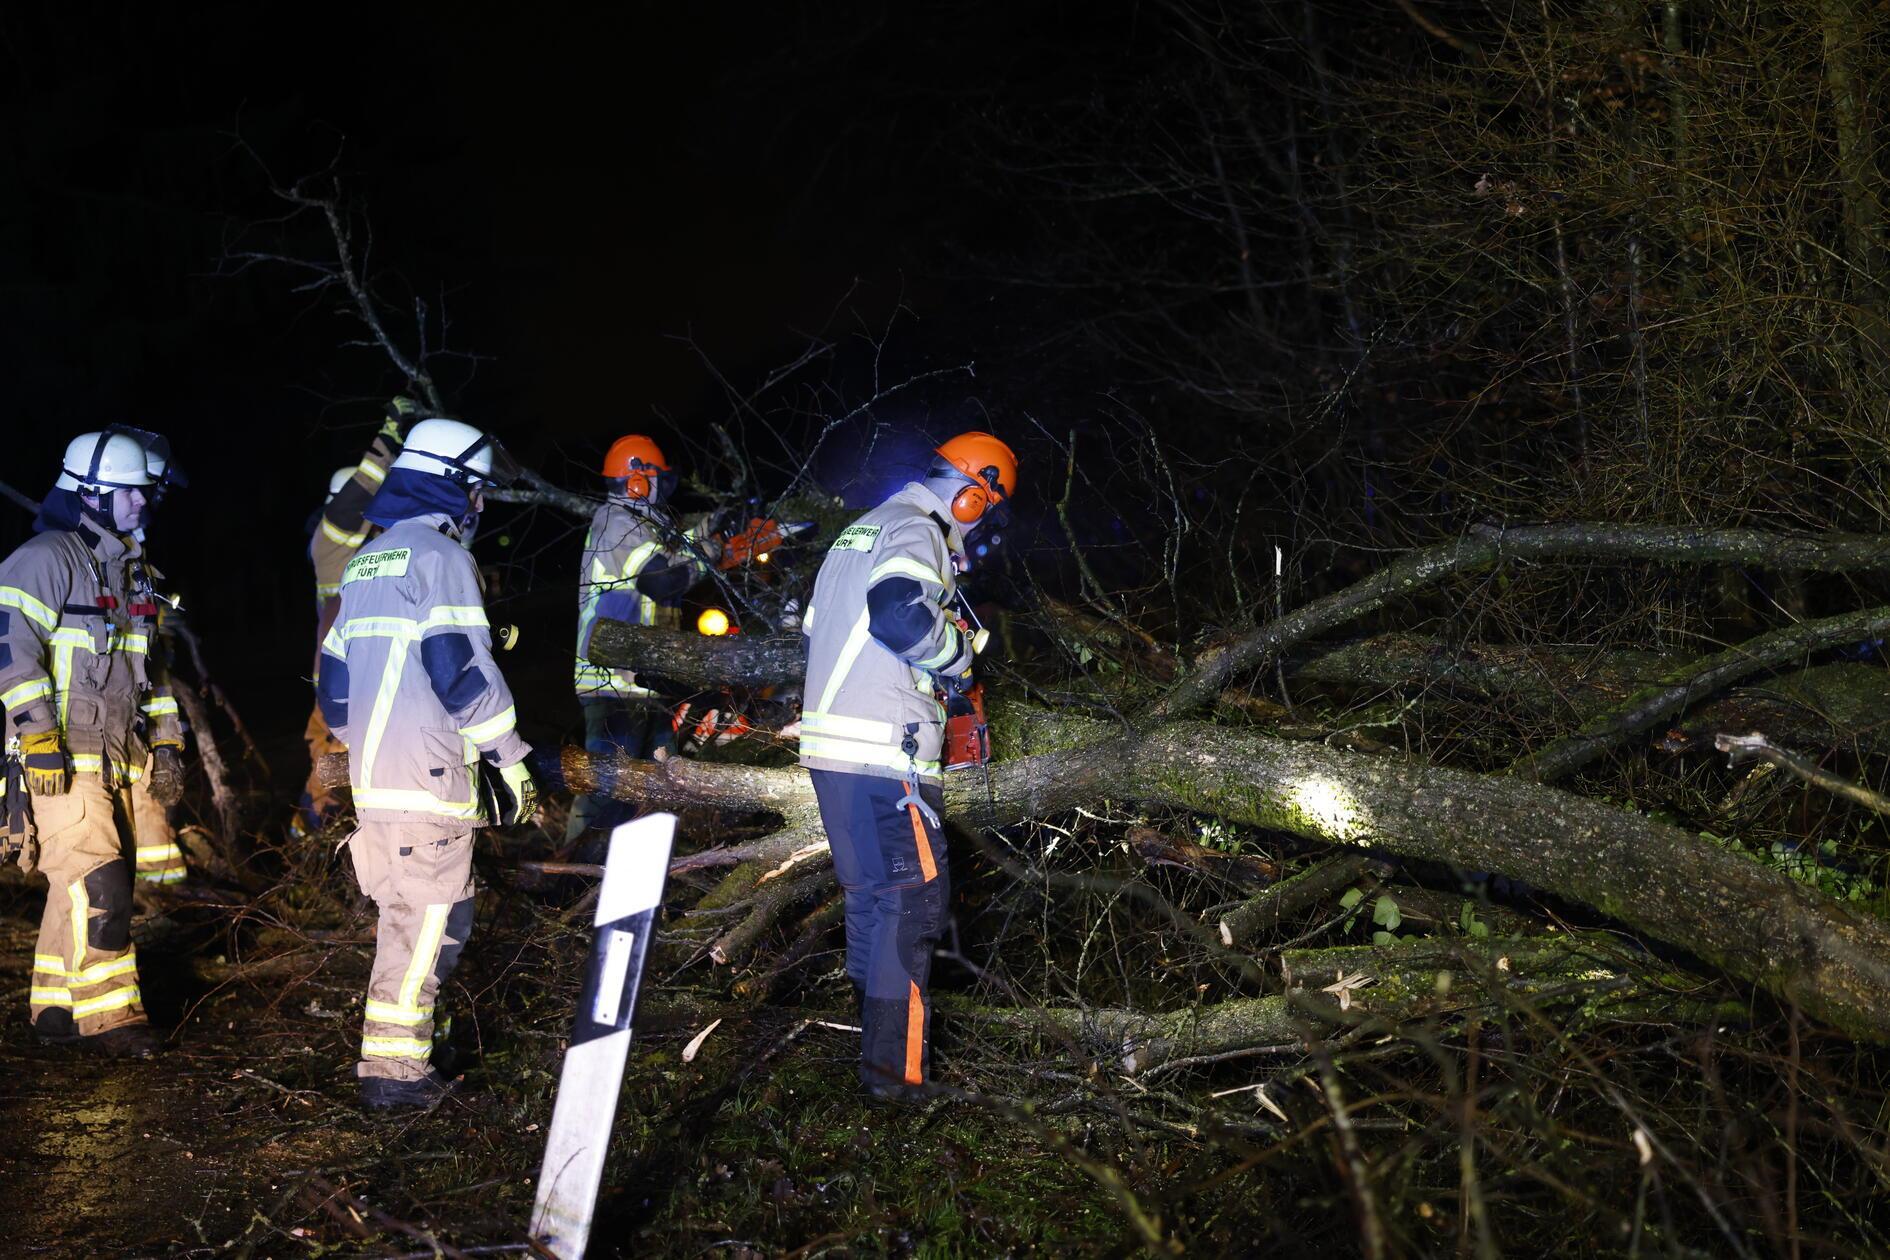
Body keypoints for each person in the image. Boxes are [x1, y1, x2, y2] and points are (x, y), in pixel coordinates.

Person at [316, 416, 537, 1110]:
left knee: (445, 917)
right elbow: (459, 671)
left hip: (378, 783)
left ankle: (419, 1048)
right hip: (429, 784)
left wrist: (376, 750)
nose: (480, 506)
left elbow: (334, 688)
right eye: (476, 491)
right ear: (451, 486)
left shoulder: (366, 561)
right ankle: (395, 1077)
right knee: (417, 929)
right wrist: (509, 755)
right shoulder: (441, 560)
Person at [798, 431, 1017, 1100]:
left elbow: (820, 630)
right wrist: (956, 658)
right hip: (881, 755)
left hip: (834, 751)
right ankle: (895, 1081)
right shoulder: (916, 530)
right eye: (987, 508)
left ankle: (868, 1060)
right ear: (977, 495)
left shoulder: (861, 530)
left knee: (873, 900)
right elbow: (897, 616)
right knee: (914, 904)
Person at [0, 430, 171, 1057]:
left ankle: (56, 1004)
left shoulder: (133, 574)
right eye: (130, 492)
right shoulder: (44, 558)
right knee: (101, 884)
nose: (142, 503)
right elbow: (8, 653)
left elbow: (153, 670)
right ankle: (112, 1019)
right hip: (58, 760)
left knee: (73, 880)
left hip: (115, 760)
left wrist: (170, 742)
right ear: (93, 494)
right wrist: (37, 733)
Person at [568, 435, 716, 841]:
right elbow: (662, 580)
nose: (661, 488)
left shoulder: (646, 525)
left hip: (645, 683)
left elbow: (675, 550)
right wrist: (712, 551)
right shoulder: (617, 523)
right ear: (637, 481)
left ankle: (642, 882)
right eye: (656, 479)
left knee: (658, 791)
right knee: (607, 791)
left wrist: (716, 526)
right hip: (613, 685)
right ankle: (574, 880)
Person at [299, 399, 417, 831]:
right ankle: (315, 839)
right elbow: (361, 492)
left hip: (370, 675)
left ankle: (322, 833)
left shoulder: (373, 547)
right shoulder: (330, 542)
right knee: (330, 765)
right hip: (338, 678)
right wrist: (390, 436)